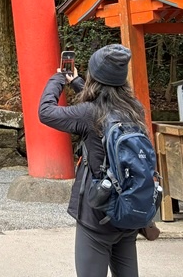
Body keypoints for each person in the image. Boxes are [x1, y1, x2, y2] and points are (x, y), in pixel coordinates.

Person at [38, 44, 148, 277]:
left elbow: (45, 112)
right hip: (129, 208)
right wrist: (76, 81)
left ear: (94, 79)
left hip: (97, 213)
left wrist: (59, 78)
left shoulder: (88, 113)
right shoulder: (135, 109)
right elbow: (104, 103)